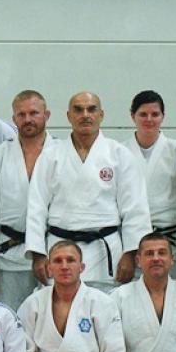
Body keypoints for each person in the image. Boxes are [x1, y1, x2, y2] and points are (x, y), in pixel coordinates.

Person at [25, 91, 151, 293]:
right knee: (60, 306)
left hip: (105, 251)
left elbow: (135, 208)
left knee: (107, 306)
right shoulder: (51, 156)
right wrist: (38, 253)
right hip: (60, 249)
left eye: (91, 109)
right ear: (68, 116)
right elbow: (36, 207)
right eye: (78, 110)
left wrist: (130, 253)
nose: (85, 115)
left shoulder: (118, 154)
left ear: (101, 115)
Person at [0, 90, 53, 311]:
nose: (27, 119)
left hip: (53, 251)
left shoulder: (61, 153)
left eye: (34, 113)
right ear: (14, 118)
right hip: (11, 253)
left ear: (46, 115)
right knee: (9, 316)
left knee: (52, 317)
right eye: (21, 114)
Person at [125, 91, 176, 275]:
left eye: (155, 114)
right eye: (143, 114)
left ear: (163, 117)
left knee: (173, 289)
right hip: (134, 239)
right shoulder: (120, 152)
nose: (149, 119)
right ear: (132, 116)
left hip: (172, 238)